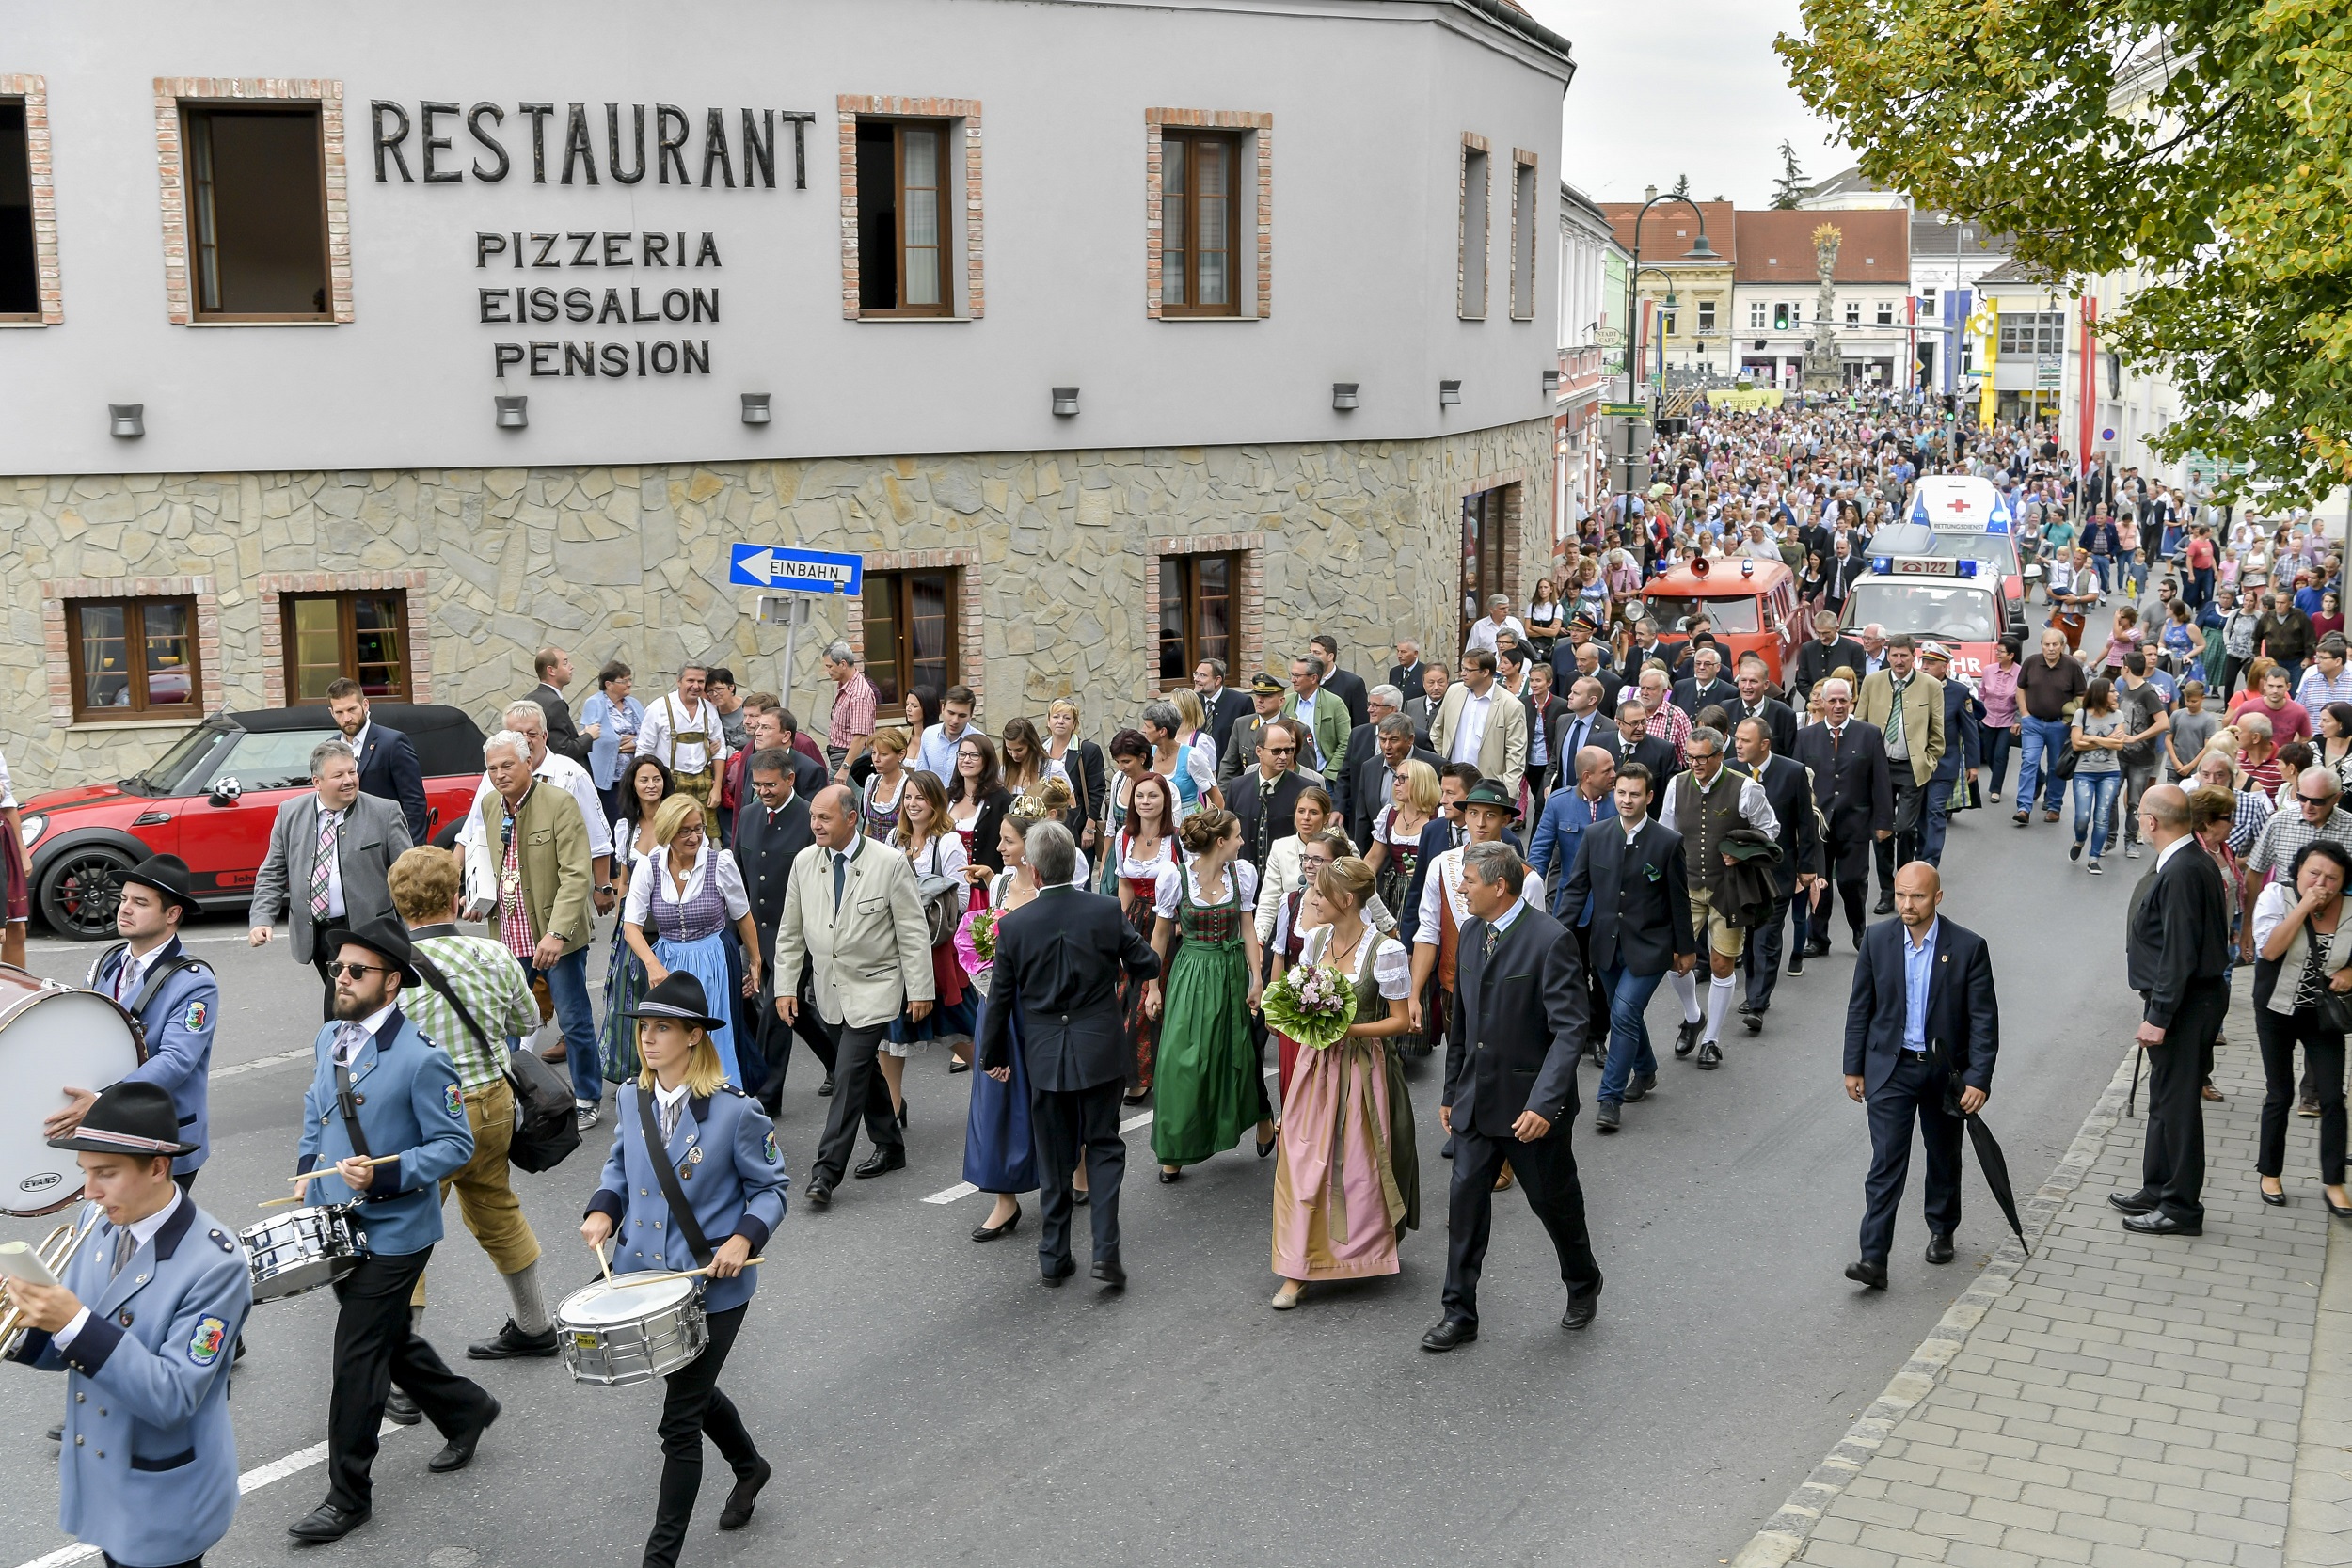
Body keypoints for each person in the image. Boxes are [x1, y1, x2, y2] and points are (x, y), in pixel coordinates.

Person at [287, 919, 498, 1544]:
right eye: (338, 969)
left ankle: (347, 1494)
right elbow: (314, 1107)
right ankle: (467, 1407)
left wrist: (383, 1175)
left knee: (357, 1354)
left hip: (398, 1228)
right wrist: (307, 1168)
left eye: (357, 971)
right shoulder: (331, 1035)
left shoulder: (422, 1059)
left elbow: (455, 1143)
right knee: (388, 1336)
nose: (341, 978)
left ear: (392, 982)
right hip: (336, 1221)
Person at [580, 973, 787, 1568]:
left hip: (712, 1285)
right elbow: (619, 1167)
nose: (648, 1039)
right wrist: (602, 1209)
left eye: (662, 1028)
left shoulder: (735, 1113)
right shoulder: (631, 1097)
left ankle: (660, 1558)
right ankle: (750, 1466)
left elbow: (771, 1189)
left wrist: (743, 1241)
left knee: (678, 1420)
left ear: (695, 1037)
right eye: (644, 1027)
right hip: (646, 1282)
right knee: (689, 1390)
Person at [1, 1080, 251, 1568]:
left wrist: (71, 1320)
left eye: (106, 1174)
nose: (90, 1192)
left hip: (164, 1496)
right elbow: (72, 1346)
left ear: (159, 1167)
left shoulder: (215, 1263)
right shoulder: (101, 1223)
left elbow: (173, 1396)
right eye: (86, 1173)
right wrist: (24, 1326)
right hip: (105, 1473)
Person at [1423, 843, 1601, 1351]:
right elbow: (1463, 1022)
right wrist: (1452, 1089)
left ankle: (1583, 1280)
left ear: (1498, 887)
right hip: (1477, 1104)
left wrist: (1545, 1105)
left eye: (1469, 881)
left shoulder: (1551, 940)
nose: (1462, 889)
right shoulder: (1474, 931)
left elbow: (1571, 1031)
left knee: (1553, 1203)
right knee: (1465, 1207)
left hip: (1530, 1112)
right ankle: (1459, 1313)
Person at [389, 847, 552, 1372]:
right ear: (456, 899)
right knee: (496, 1208)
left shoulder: (391, 968)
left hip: (426, 1117)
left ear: (399, 903)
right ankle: (533, 1324)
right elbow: (526, 1018)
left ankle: (404, 1362)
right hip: (492, 1102)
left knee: (404, 1226)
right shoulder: (494, 954)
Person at [979, 820, 1159, 1288]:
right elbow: (1148, 963)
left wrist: (992, 1054)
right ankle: (1106, 1251)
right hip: (1099, 1044)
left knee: (1054, 1155)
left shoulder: (1015, 925)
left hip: (1043, 1053)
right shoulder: (1103, 910)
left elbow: (1000, 998)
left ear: (1035, 872)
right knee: (1103, 1146)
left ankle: (1054, 1255)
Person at [1838, 863, 1998, 1289]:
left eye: (1918, 897)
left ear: (1938, 898)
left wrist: (1978, 1078)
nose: (1907, 905)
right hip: (1890, 1068)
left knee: (1943, 1155)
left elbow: (1983, 1019)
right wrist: (1853, 1066)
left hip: (1944, 1073)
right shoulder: (1877, 939)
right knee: (1886, 1161)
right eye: (1901, 895)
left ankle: (1942, 1228)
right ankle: (1873, 1258)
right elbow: (1861, 1007)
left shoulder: (1967, 947)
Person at [1268, 856, 1418, 1308]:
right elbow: (1298, 1000)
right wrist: (1296, 1018)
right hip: (1317, 1071)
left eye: (1320, 892)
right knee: (1302, 1162)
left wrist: (1348, 1029)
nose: (1312, 898)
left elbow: (1401, 1021)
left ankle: (1360, 1252)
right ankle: (1297, 1267)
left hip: (1363, 1070)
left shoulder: (1386, 951)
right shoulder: (1314, 942)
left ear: (1345, 900)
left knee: (1357, 1166)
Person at [774, 785, 935, 1207]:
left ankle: (826, 1172)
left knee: (847, 1073)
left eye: (825, 818)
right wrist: (786, 987)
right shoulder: (805, 862)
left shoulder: (889, 863)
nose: (815, 825)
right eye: (814, 818)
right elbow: (790, 933)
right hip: (830, 989)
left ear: (851, 819)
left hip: (876, 986)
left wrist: (920, 989)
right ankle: (891, 1145)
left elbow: (913, 932)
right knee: (862, 1071)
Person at [53, 854, 217, 1192]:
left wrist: (100, 1100)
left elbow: (175, 1061)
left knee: (155, 1239)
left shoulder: (194, 982)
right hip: (108, 1131)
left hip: (161, 1138)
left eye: (140, 903)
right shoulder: (109, 961)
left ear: (172, 915)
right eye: (124, 899)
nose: (124, 909)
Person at [2115, 784, 2233, 1236]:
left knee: (2179, 1105)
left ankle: (2181, 1208)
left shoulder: (2183, 869)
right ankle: (2158, 1187)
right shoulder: (2187, 860)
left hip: (2186, 1006)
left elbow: (2179, 952)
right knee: (2164, 1098)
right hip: (2185, 1002)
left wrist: (2159, 1015)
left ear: (2151, 822)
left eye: (2140, 813)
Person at [473, 730, 600, 1128]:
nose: (499, 774)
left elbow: (578, 875)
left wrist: (557, 933)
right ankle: (513, 1096)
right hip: (508, 935)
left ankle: (587, 1095)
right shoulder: (492, 805)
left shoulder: (559, 802)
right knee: (507, 1021)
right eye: (492, 768)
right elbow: (488, 860)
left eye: (507, 764)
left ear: (529, 762)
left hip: (554, 936)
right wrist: (477, 898)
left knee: (573, 1018)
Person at [1561, 763, 1695, 1133]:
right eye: (1621, 792)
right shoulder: (1595, 835)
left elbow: (1678, 900)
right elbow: (1576, 889)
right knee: (1626, 1014)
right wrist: (1556, 935)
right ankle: (1647, 1070)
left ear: (1649, 797)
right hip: (1605, 947)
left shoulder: (1667, 842)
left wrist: (1686, 949)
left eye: (1635, 794)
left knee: (1622, 1013)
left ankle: (1610, 1098)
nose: (1626, 800)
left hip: (1650, 947)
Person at [958, 793, 1068, 1241]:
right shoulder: (1002, 884)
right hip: (999, 1004)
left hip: (1040, 1006)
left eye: (1007, 840)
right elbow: (984, 937)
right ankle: (1004, 1199)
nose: (1000, 848)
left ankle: (1069, 1168)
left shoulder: (1053, 887)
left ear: (1031, 844)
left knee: (1050, 1095)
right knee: (996, 1098)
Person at [1145, 807, 1271, 1181]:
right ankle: (1175, 1146)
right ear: (1221, 841)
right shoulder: (1175, 877)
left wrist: (1256, 978)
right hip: (1192, 973)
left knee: (1238, 1054)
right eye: (1237, 836)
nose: (1242, 842)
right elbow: (1161, 934)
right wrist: (1152, 985)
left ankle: (1262, 1119)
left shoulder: (1241, 874)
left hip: (1232, 972)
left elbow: (1247, 927)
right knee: (1181, 1060)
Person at [249, 739, 415, 1019]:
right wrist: (262, 918)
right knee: (354, 1004)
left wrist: (415, 929)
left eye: (352, 772)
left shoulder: (385, 812)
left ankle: (339, 1056)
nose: (349, 780)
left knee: (343, 1004)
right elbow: (273, 871)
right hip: (318, 933)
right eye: (339, 775)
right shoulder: (290, 813)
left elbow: (409, 876)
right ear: (317, 781)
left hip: (368, 930)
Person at [1656, 724, 1781, 1068]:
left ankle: (1711, 1040)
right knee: (1675, 959)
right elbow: (1666, 832)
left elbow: (1771, 829)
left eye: (1702, 758)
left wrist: (1741, 849)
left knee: (1721, 963)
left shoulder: (1747, 788)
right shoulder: (1676, 785)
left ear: (1719, 755)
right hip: (1687, 885)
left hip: (1728, 887)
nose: (1695, 764)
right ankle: (1693, 1015)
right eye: (1690, 757)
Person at [623, 794, 761, 1089]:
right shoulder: (650, 867)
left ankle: (720, 1097)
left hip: (714, 959)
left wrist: (756, 961)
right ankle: (676, 1096)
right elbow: (631, 927)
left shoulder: (719, 863)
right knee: (674, 1034)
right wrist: (653, 965)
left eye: (698, 828)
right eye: (684, 830)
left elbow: (742, 914)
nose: (694, 836)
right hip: (668, 962)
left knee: (714, 1034)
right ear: (668, 832)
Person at [2249, 840, 2352, 1215]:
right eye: (2314, 873)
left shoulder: (2350, 910)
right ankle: (2270, 1173)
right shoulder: (2277, 896)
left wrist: (2349, 972)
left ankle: (2334, 1181)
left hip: (2323, 1016)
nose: (2321, 882)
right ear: (2298, 871)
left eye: (2332, 877)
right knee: (2280, 1094)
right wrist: (2306, 906)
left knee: (2332, 1098)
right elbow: (2270, 950)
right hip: (2276, 1009)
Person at [457, 699, 616, 924]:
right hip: (509, 905)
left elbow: (597, 837)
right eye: (516, 734)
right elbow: (471, 834)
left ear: (544, 736)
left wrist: (603, 886)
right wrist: (455, 887)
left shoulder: (570, 774)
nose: (524, 740)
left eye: (531, 733)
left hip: (558, 901)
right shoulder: (492, 777)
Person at [734, 747, 824, 1114]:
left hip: (797, 936)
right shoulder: (750, 814)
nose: (763, 792)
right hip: (757, 933)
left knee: (775, 1009)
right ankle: (836, 1062)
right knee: (793, 1006)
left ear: (790, 779)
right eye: (757, 786)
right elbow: (740, 874)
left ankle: (766, 1097)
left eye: (771, 785)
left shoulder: (811, 818)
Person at [891, 769, 977, 1095]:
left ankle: (994, 1088)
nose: (913, 804)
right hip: (901, 946)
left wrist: (924, 898)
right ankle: (894, 1103)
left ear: (935, 802)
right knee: (890, 1032)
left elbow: (963, 899)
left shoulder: (948, 841)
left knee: (959, 1026)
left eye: (920, 797)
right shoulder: (895, 840)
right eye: (908, 796)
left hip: (938, 947)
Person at [1732, 714, 1822, 1019]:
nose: (1738, 745)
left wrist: (1808, 866)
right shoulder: (1730, 770)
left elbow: (1804, 822)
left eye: (1746, 740)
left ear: (1765, 744)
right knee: (1750, 932)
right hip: (1740, 873)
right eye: (1737, 739)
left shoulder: (1792, 771)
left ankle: (1757, 1002)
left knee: (1768, 934)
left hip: (1778, 870)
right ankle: (1753, 990)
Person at [1793, 679, 1893, 955]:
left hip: (1855, 824)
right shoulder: (1805, 737)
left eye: (1843, 701)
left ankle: (1859, 931)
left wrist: (1884, 822)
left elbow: (1881, 781)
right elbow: (1798, 784)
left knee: (1852, 881)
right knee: (1819, 882)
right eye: (1832, 701)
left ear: (1852, 702)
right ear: (1821, 703)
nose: (1838, 706)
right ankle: (1818, 938)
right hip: (1818, 826)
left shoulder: (1869, 734)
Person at [1856, 634, 1944, 908]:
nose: (1898, 661)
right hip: (1879, 768)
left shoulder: (1930, 686)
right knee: (1881, 830)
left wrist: (1929, 760)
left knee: (1905, 828)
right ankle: (1886, 891)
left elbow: (1937, 731)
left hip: (1912, 768)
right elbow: (1860, 721)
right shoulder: (1873, 682)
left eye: (1904, 655)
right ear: (1887, 656)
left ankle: (1906, 884)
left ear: (1913, 656)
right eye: (1894, 655)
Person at [1363, 760, 1440, 1057]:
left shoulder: (1438, 817)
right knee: (1388, 958)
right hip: (1392, 893)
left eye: (1403, 777)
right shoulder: (1390, 815)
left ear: (1420, 782)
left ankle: (1413, 1038)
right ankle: (1388, 1033)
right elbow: (1373, 859)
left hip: (1423, 894)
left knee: (1418, 957)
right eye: (1396, 776)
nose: (1396, 782)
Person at [328, 677, 429, 843]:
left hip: (385, 843)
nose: (346, 718)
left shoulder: (393, 742)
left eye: (352, 709)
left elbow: (414, 802)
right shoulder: (330, 747)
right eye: (339, 712)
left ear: (365, 705)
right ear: (332, 713)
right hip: (344, 846)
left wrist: (410, 852)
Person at [637, 663, 731, 833]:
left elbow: (721, 750)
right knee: (668, 833)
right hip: (670, 783)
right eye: (691, 680)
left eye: (700, 681)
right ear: (679, 681)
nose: (696, 686)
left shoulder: (709, 709)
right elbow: (644, 751)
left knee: (704, 835)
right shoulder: (658, 708)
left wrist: (716, 788)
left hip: (704, 784)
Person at [2013, 629, 2089, 824]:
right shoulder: (2031, 662)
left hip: (2059, 725)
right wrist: (2024, 714)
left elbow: (2081, 695)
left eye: (2055, 645)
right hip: (2034, 723)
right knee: (2029, 760)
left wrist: (2072, 721)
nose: (2051, 648)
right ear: (2042, 646)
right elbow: (2020, 687)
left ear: (2062, 646)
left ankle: (2054, 806)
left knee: (2056, 766)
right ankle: (2023, 807)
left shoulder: (2072, 666)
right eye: (2047, 645)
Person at [1431, 649, 1529, 797]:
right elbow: (1437, 732)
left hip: (1487, 787)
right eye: (1462, 668)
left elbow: (1516, 754)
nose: (1462, 673)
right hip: (1449, 782)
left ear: (1485, 672)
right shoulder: (1453, 691)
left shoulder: (1511, 705)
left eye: (1468, 670)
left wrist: (1507, 792)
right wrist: (1437, 769)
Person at [1229, 718, 1311, 871]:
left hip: (1288, 880)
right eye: (1276, 751)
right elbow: (1228, 834)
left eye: (1288, 750)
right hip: (1245, 879)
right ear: (1259, 751)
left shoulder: (1306, 789)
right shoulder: (1237, 786)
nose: (1283, 757)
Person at [1350, 711, 1440, 850]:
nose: (1386, 746)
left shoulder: (1435, 765)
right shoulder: (1369, 767)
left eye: (1393, 740)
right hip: (1379, 853)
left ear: (1410, 739)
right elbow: (1363, 817)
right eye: (1382, 740)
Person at [580, 660, 644, 823]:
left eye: (630, 679)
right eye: (624, 681)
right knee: (614, 822)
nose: (629, 684)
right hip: (610, 781)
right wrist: (620, 745)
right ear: (609, 684)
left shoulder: (634, 704)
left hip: (634, 776)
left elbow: (647, 734)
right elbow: (594, 737)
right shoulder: (594, 703)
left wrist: (634, 743)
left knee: (636, 821)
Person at [1042, 697, 1109, 852]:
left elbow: (1097, 791)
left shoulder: (1088, 750)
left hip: (1077, 826)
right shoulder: (1040, 748)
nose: (1061, 721)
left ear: (1074, 724)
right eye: (1056, 716)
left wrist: (1090, 828)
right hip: (1044, 826)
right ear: (1048, 721)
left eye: (1067, 718)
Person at [821, 641, 879, 783]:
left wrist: (845, 768)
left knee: (850, 803)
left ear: (842, 664)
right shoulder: (845, 685)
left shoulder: (859, 694)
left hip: (852, 763)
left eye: (829, 666)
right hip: (840, 759)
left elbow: (860, 738)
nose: (826, 671)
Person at [528, 645, 592, 768]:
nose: (571, 666)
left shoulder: (530, 698)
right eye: (565, 663)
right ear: (551, 670)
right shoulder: (555, 703)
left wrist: (579, 736)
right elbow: (563, 751)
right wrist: (589, 736)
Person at [912, 685, 977, 783]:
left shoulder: (979, 742)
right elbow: (921, 776)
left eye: (962, 715)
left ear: (971, 715)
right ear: (942, 709)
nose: (955, 720)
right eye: (951, 713)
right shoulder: (929, 734)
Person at [1311, 632, 1372, 732]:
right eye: (1310, 652)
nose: (1311, 657)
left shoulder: (1353, 683)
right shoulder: (1308, 681)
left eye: (1317, 653)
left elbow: (1361, 725)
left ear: (1330, 656)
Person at [1195, 657, 1255, 756]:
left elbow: (1246, 743)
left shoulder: (1241, 703)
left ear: (1217, 680)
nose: (1196, 679)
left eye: (1202, 675)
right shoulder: (1193, 700)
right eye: (1196, 674)